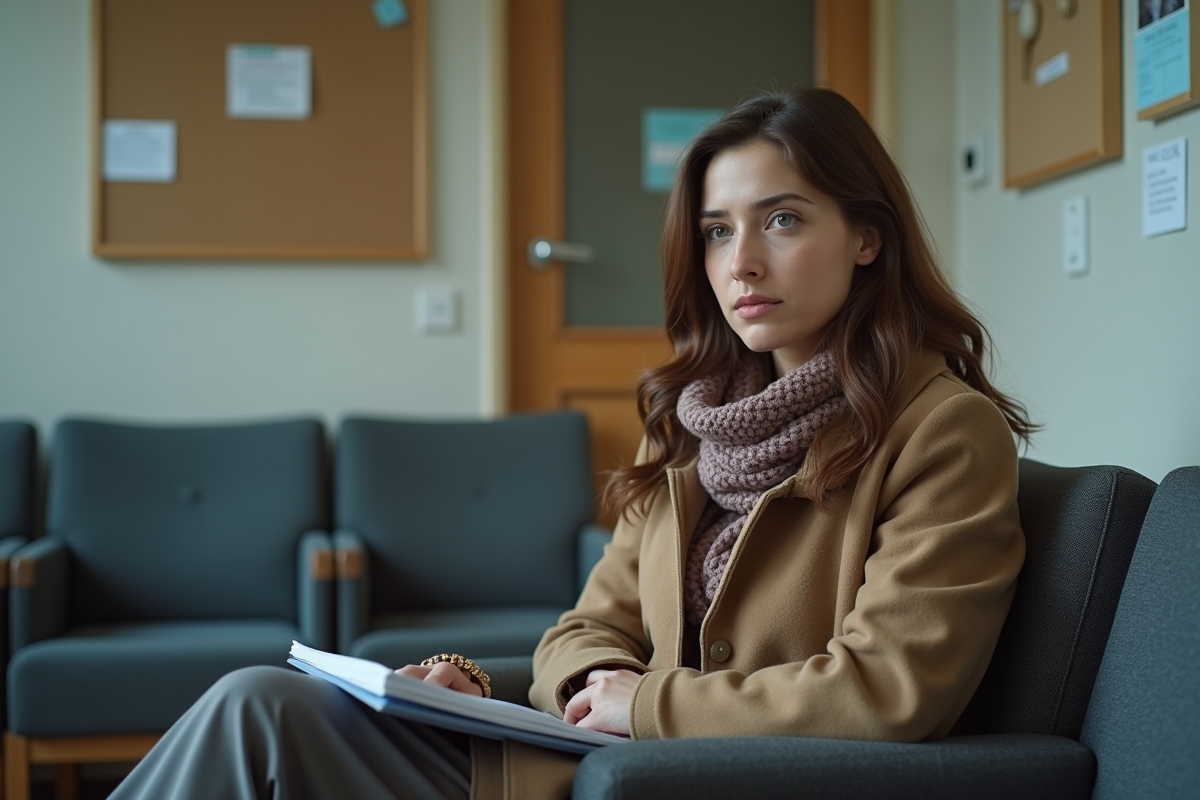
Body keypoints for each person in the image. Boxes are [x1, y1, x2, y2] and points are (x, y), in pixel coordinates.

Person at [110, 88, 1032, 800]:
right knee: (260, 699)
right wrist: (517, 686)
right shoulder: (695, 425)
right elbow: (586, 628)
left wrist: (648, 706)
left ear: (867, 238)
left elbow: (891, 689)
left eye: (782, 219)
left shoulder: (943, 432)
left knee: (259, 714)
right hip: (594, 765)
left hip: (711, 780)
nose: (741, 262)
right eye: (717, 232)